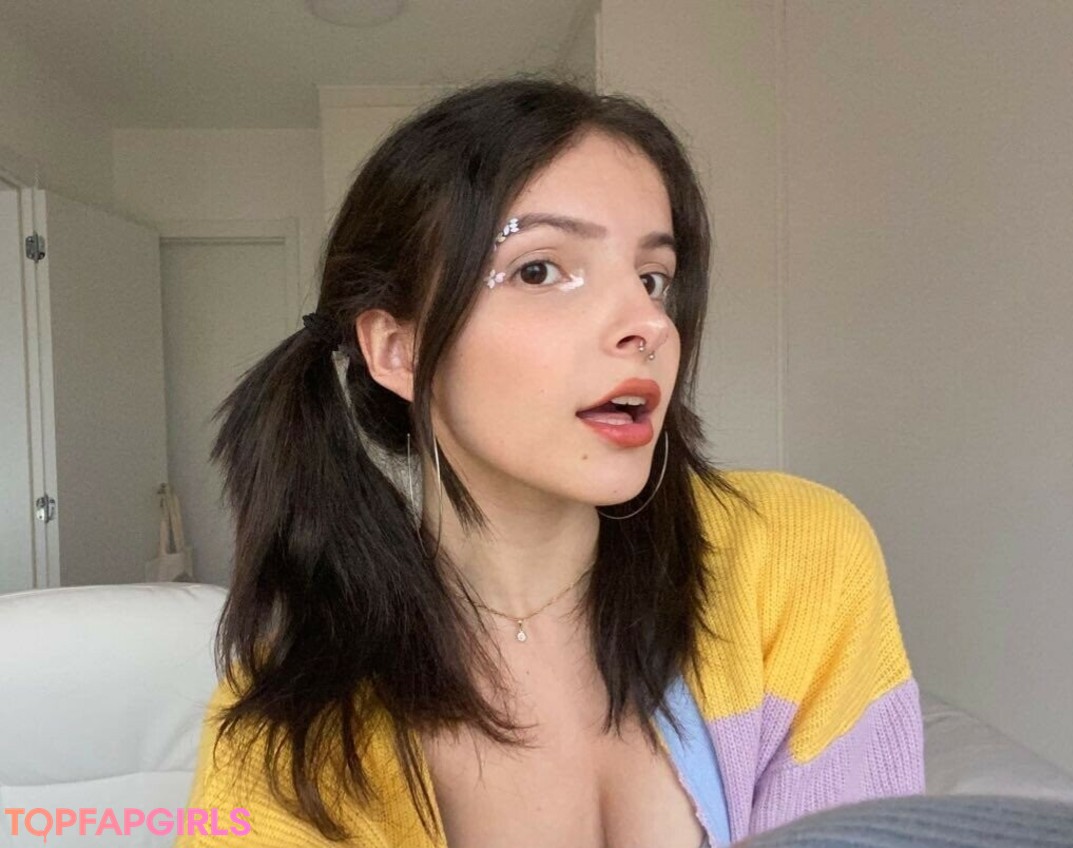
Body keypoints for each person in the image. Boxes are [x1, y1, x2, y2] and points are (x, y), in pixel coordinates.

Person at [177, 76, 924, 848]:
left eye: (653, 279)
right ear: (398, 350)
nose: (646, 324)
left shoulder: (795, 558)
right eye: (539, 270)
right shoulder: (296, 719)